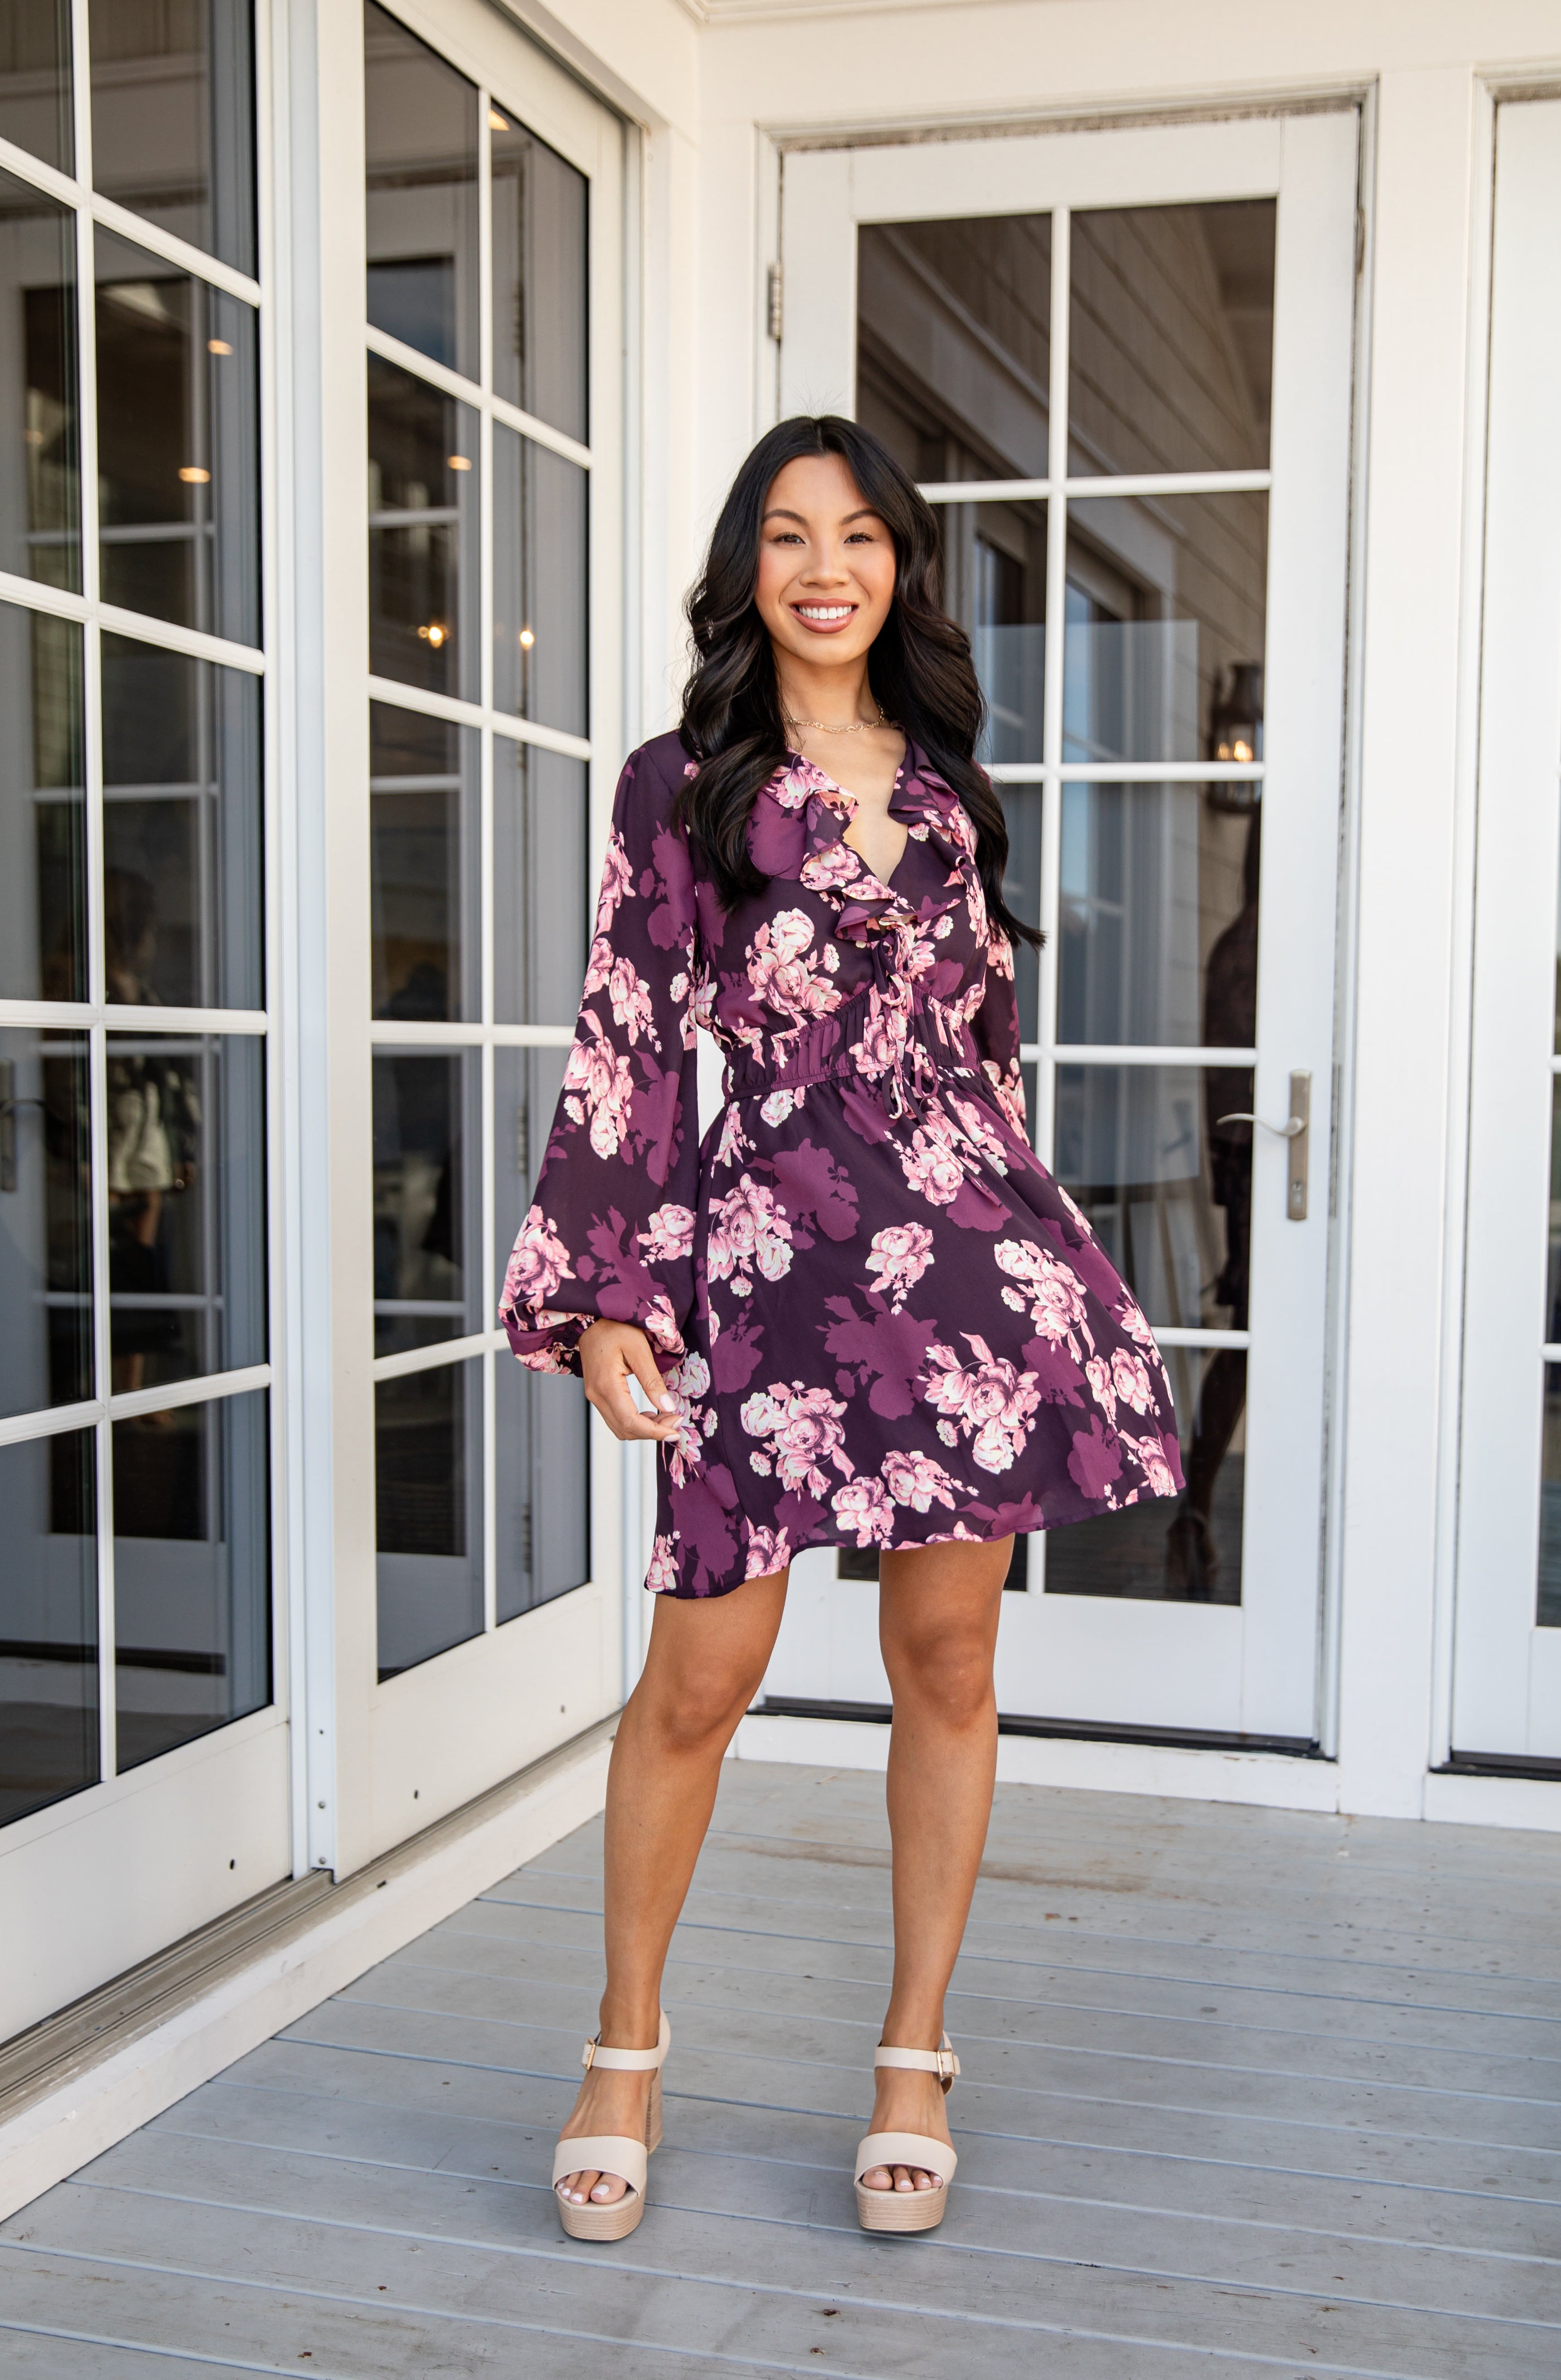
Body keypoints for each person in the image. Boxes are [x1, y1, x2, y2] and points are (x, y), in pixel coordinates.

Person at [501, 415, 1183, 2241]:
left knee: (947, 1665)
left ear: (899, 569)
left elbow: (990, 1053)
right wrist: (602, 1299)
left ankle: (911, 2057)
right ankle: (621, 2047)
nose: (826, 566)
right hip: (764, 1256)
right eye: (790, 535)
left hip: (960, 1267)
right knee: (699, 1680)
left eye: (861, 536)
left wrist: (1028, 1250)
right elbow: (628, 1045)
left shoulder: (955, 787)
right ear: (750, 569)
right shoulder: (682, 782)